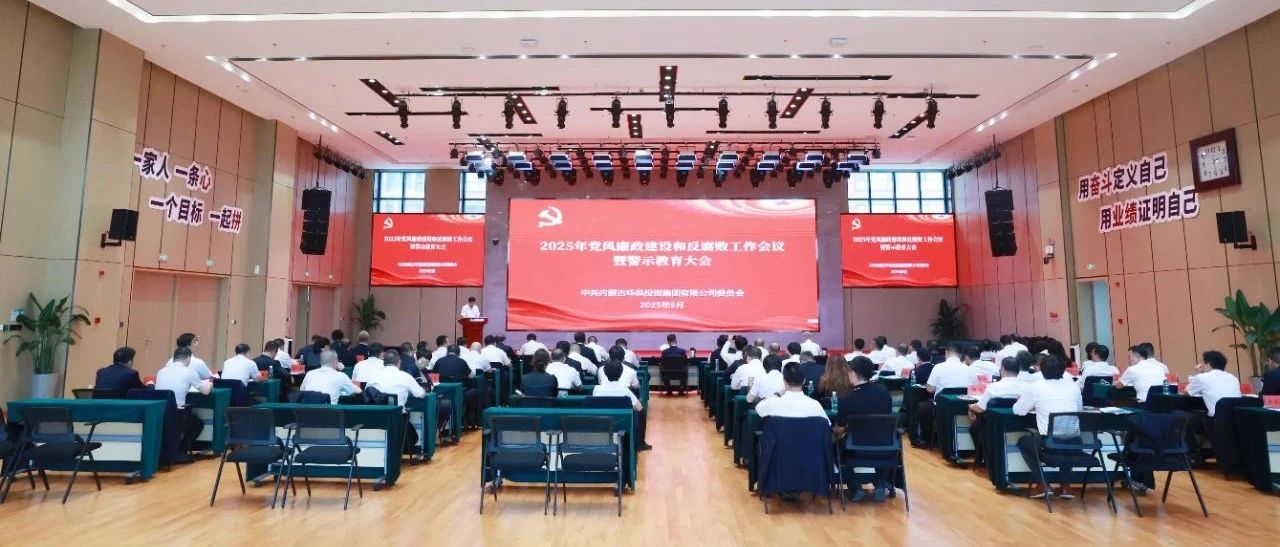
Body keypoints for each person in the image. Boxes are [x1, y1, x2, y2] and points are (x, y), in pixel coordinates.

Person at [1013, 355, 1083, 499]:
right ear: (1063, 370)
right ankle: (1065, 487)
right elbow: (1079, 410)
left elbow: (1018, 411)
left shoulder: (1035, 387)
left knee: (1024, 443)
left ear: (1041, 370)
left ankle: (1042, 484)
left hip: (1049, 443)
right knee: (1066, 438)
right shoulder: (1074, 387)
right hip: (1075, 443)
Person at [834, 356, 894, 502]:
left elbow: (839, 429)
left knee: (833, 444)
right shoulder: (884, 392)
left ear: (853, 374)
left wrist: (843, 430)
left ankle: (855, 486)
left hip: (856, 449)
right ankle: (880, 483)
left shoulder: (847, 398)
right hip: (885, 446)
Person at [155, 347, 212, 463]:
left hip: (159, 411)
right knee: (197, 424)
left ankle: (171, 452)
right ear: (188, 359)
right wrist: (211, 382)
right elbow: (205, 391)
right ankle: (179, 451)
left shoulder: (161, 371)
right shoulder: (189, 372)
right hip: (177, 413)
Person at [968, 357, 1027, 466]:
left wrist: (971, 407)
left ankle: (984, 458)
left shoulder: (993, 387)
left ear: (1002, 369)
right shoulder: (1026, 387)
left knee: (974, 428)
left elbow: (980, 408)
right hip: (1020, 424)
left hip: (994, 425)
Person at [917, 344, 977, 448]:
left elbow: (930, 389)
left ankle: (926, 439)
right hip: (965, 408)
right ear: (961, 355)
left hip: (942, 407)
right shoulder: (970, 369)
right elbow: (974, 390)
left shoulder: (938, 367)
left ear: (946, 353)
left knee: (923, 406)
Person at [593, 360, 651, 450]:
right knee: (642, 413)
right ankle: (640, 443)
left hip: (602, 423)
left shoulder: (597, 389)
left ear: (604, 372)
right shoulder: (625, 390)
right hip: (622, 425)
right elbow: (639, 408)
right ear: (621, 373)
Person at [756, 363, 830, 422]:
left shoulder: (771, 402)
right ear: (804, 381)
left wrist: (779, 393)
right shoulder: (815, 405)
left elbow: (758, 409)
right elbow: (826, 424)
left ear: (784, 380)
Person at [1187, 350, 1241, 417]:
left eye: (1203, 364)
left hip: (1216, 420)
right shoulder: (1234, 378)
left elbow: (1186, 392)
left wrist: (1199, 373)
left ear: (1208, 364)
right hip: (1236, 419)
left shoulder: (1202, 377)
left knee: (1178, 414)